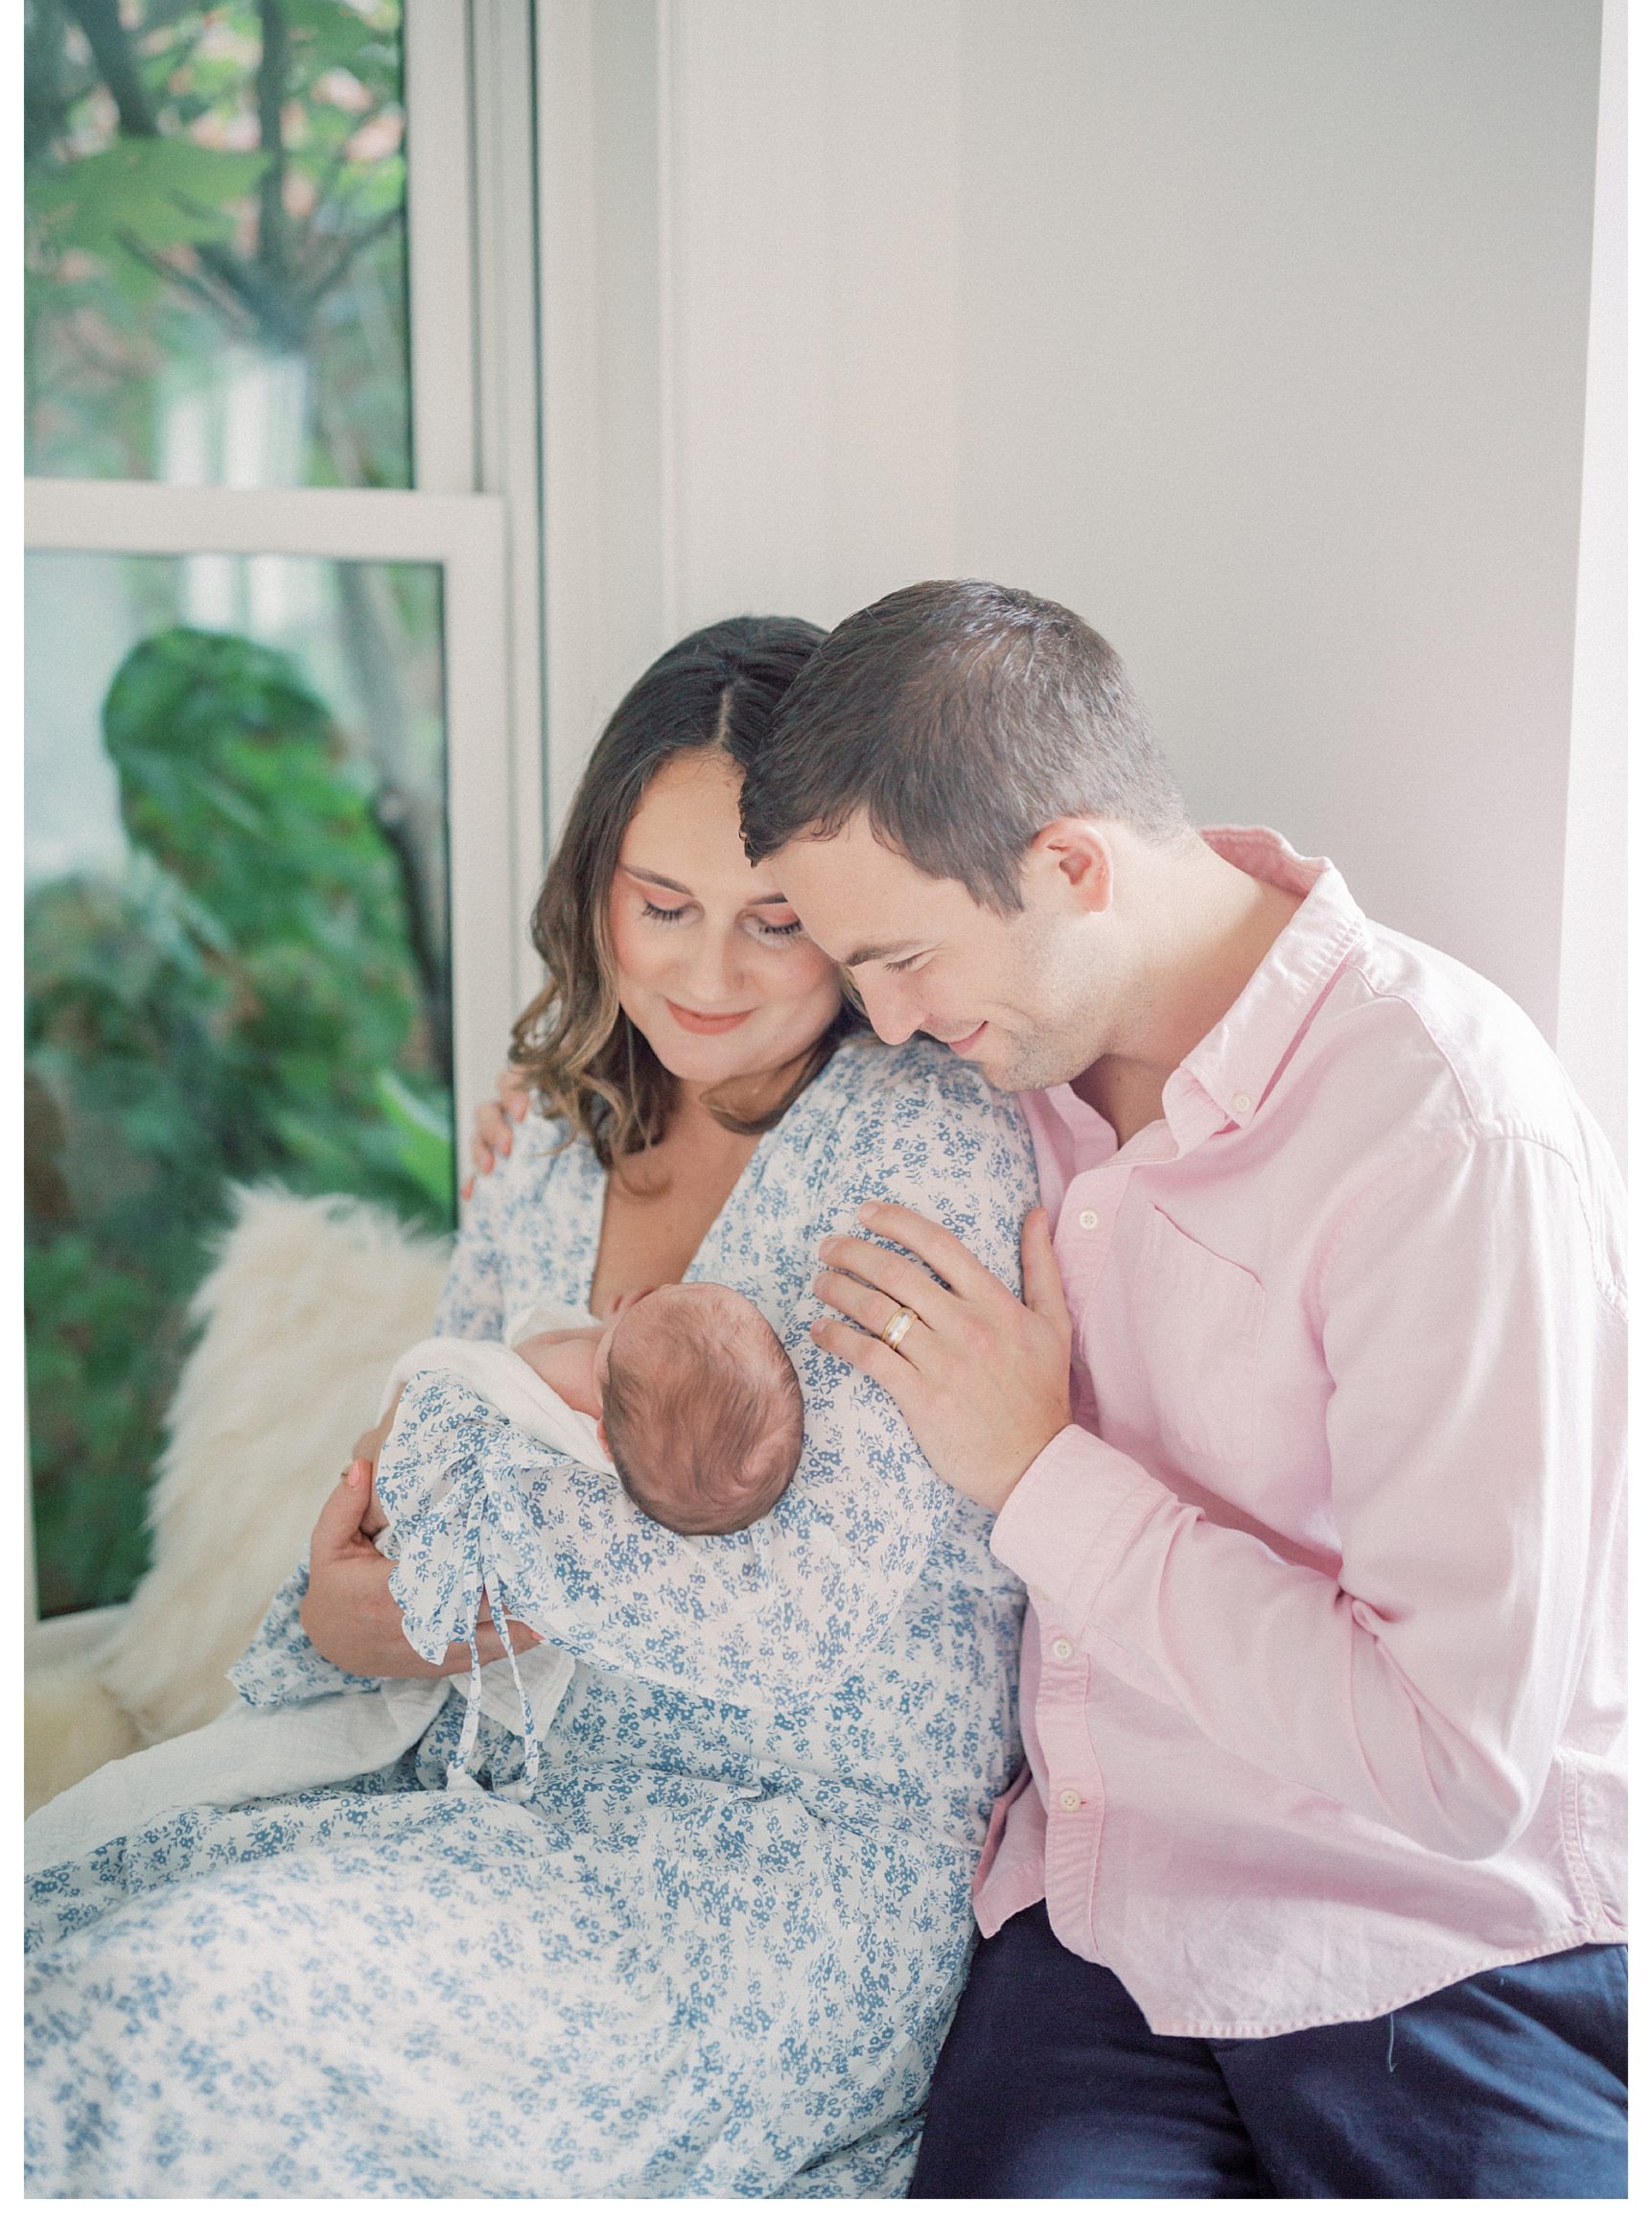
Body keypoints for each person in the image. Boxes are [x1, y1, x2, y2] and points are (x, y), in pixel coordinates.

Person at [23, 615, 1040, 2199]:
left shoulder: (918, 1141)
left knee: (159, 2006)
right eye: (662, 904)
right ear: (594, 890)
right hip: (490, 1798)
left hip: (757, 1891)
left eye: (775, 922)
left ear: (849, 918)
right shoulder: (559, 1137)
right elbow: (415, 1474)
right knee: (53, 1958)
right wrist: (356, 1610)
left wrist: (461, 1579)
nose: (706, 975)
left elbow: (797, 1612)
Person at [729, 577, 1627, 2200]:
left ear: (1072, 865)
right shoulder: (992, 1073)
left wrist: (1038, 1475)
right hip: (1099, 1915)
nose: (884, 1023)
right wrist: (564, 1085)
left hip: (1427, 1942)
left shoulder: (1443, 1132)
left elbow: (1455, 1767)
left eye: (904, 958)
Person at [361, 1278, 806, 1542]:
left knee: (371, 1476)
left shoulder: (573, 1377)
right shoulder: (653, 1453)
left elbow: (520, 1354)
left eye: (603, 1349)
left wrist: (605, 1330)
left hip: (414, 1470)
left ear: (605, 1440)